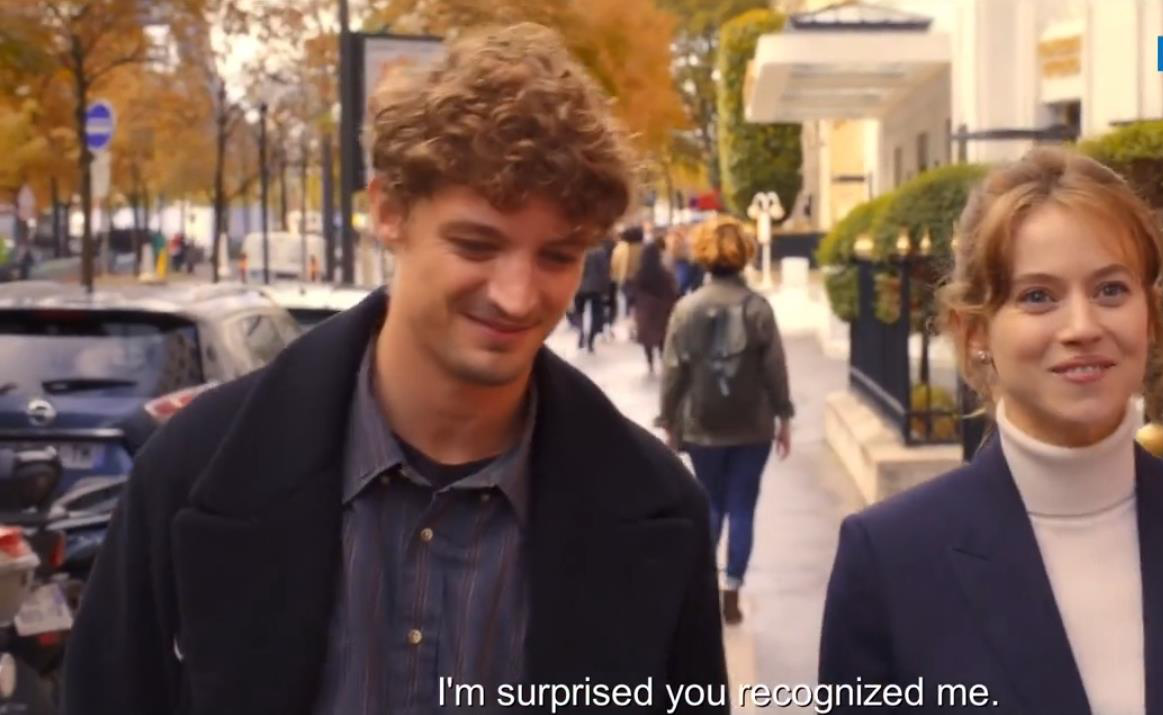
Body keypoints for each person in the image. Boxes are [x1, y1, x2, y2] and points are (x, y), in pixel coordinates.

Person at [65, 23, 728, 715]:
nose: (516, 295)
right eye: (477, 245)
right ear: (388, 211)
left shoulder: (659, 508)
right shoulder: (191, 470)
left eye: (557, 257)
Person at [818, 147, 1163, 714]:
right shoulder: (890, 560)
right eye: (1038, 297)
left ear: (1149, 316)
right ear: (975, 332)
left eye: (1110, 290)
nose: (1082, 327)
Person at [659, 219, 794, 625]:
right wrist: (783, 416)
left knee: (710, 503)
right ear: (745, 255)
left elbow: (673, 371)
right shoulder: (758, 308)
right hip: (752, 425)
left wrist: (669, 420)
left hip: (702, 424)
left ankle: (702, 587)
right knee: (743, 506)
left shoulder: (686, 309)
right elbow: (775, 369)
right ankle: (733, 588)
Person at [632, 239, 678, 374]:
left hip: (645, 309)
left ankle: (650, 361)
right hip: (661, 309)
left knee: (647, 337)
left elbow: (634, 291)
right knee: (662, 336)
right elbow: (672, 291)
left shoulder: (640, 273)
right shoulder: (663, 273)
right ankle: (663, 360)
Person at [574, 242, 611, 352]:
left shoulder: (580, 248)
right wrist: (606, 290)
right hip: (596, 288)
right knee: (597, 314)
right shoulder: (600, 252)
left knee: (579, 311)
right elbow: (605, 272)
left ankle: (581, 331)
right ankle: (591, 340)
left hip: (580, 287)